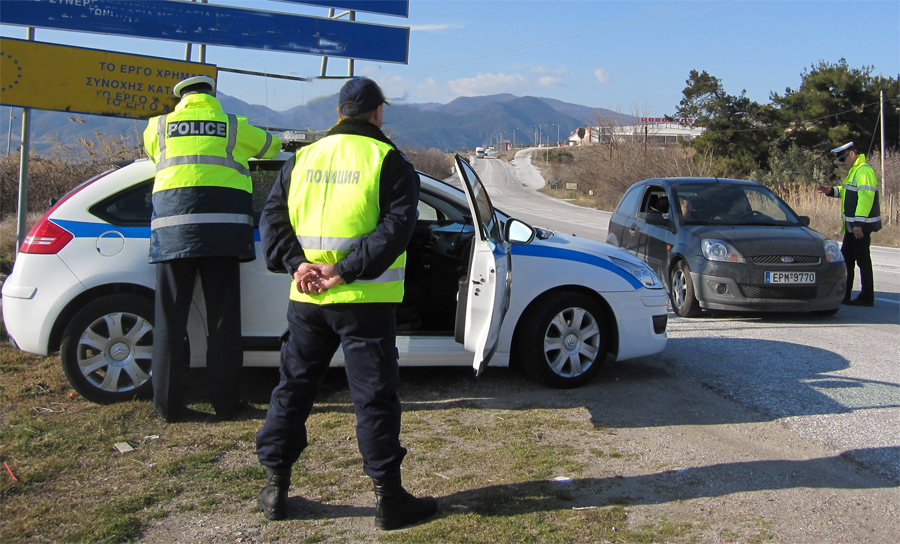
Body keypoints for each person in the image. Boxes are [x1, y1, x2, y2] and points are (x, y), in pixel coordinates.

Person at [254, 77, 438, 530]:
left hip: (307, 299)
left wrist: (298, 265)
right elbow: (396, 230)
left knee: (293, 388)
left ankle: (276, 488)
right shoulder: (389, 161)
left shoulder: (301, 159)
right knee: (373, 398)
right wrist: (346, 270)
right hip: (363, 301)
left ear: (339, 112)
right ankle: (389, 500)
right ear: (378, 113)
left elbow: (273, 221)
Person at [143, 75, 282, 422]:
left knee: (169, 323)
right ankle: (225, 402)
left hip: (173, 234)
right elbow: (273, 147)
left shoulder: (158, 127)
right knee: (222, 321)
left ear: (181, 98)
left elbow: (153, 157)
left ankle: (168, 407)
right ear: (212, 96)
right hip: (223, 234)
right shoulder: (233, 126)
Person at [816, 142, 882, 306]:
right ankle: (844, 295)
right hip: (853, 228)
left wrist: (859, 224)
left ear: (852, 154)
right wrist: (831, 191)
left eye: (842, 158)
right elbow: (847, 192)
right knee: (847, 261)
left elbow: (865, 198)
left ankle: (867, 297)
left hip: (859, 227)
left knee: (862, 261)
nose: (841, 162)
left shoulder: (864, 170)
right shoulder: (855, 171)